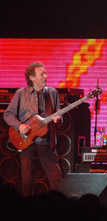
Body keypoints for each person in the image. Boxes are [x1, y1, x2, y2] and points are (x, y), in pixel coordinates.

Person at [4, 62, 62, 197]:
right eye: (42, 74)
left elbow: (58, 111)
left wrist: (59, 117)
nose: (45, 76)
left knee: (56, 178)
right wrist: (20, 126)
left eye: (45, 73)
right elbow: (8, 115)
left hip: (46, 141)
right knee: (27, 180)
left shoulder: (52, 93)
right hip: (26, 142)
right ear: (32, 78)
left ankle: (59, 209)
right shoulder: (21, 94)